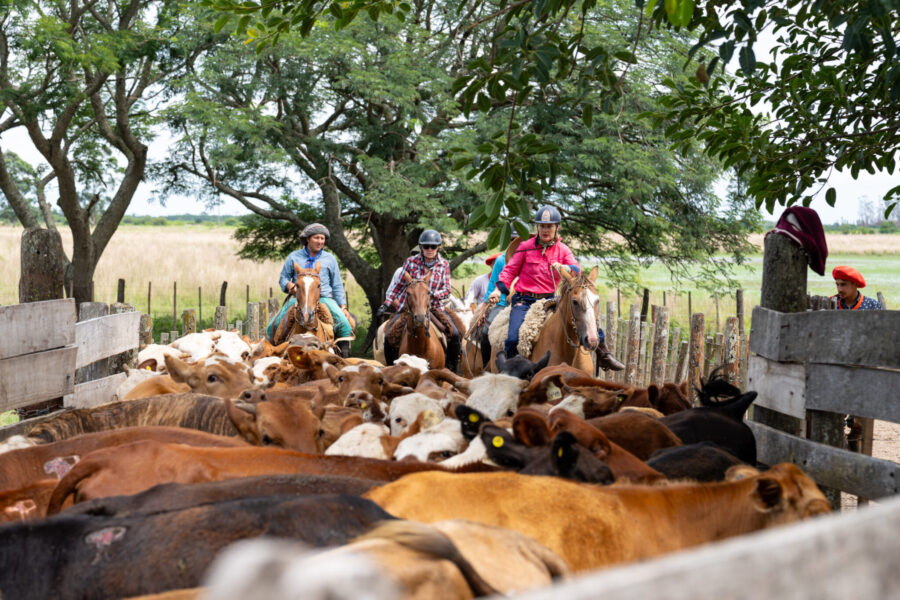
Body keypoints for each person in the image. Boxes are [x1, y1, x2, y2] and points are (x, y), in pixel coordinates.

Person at [488, 206, 624, 371]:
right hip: (524, 300)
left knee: (584, 318)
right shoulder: (525, 246)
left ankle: (604, 355)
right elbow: (509, 271)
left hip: (550, 299)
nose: (546, 230)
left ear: (556, 227)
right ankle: (511, 371)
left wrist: (565, 268)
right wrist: (498, 290)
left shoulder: (563, 249)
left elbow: (576, 269)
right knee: (513, 338)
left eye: (549, 226)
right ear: (537, 227)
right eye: (542, 226)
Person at [376, 229, 461, 372]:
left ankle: (451, 369)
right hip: (410, 308)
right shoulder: (410, 262)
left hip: (434, 307)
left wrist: (429, 294)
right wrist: (386, 304)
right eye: (426, 246)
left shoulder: (444, 264)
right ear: (421, 247)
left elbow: (446, 290)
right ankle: (392, 370)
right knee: (389, 336)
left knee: (455, 334)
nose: (430, 249)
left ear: (438, 247)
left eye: (433, 246)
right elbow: (398, 285)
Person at [279, 223, 354, 357]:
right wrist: (290, 286)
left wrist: (342, 306)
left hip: (324, 298)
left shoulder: (330, 259)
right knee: (273, 326)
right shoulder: (294, 257)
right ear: (307, 239)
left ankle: (344, 358)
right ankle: (276, 354)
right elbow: (283, 278)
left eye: (322, 238)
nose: (320, 241)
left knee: (345, 325)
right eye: (316, 238)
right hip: (298, 298)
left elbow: (337, 284)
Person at [479, 252, 508, 366]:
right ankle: (487, 366)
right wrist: (483, 308)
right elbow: (493, 285)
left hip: (524, 300)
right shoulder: (501, 260)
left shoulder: (531, 255)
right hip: (502, 302)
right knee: (486, 332)